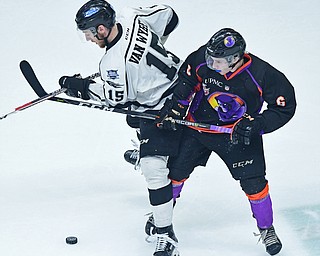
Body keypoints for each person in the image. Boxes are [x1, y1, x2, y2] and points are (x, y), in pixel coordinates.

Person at [154, 28, 296, 255]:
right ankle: (161, 217)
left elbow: (284, 107)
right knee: (174, 174)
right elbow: (186, 82)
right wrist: (175, 110)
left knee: (255, 185)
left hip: (237, 136)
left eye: (217, 61)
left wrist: (256, 124)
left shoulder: (262, 74)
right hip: (197, 128)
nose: (210, 63)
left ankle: (266, 228)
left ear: (234, 60)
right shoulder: (202, 59)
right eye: (209, 57)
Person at [58, 1, 183, 255]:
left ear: (101, 29)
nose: (89, 39)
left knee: (154, 169)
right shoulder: (128, 14)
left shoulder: (113, 64)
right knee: (133, 115)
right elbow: (170, 17)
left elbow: (115, 99)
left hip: (162, 107)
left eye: (89, 34)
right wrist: (147, 58)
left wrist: (81, 87)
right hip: (182, 82)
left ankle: (165, 234)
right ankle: (145, 149)